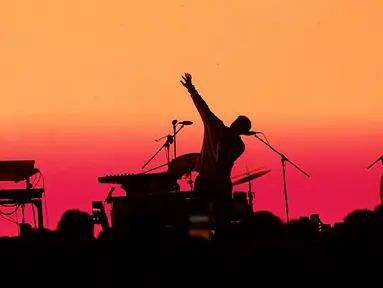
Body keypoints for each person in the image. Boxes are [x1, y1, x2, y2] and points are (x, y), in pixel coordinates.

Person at [180, 73, 252, 235]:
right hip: (221, 183)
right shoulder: (239, 145)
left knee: (200, 217)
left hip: (206, 179)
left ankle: (200, 245)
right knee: (222, 220)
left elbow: (203, 108)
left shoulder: (216, 127)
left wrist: (191, 89)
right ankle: (221, 248)